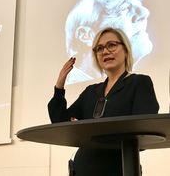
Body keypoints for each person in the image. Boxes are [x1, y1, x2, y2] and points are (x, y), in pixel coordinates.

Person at [48, 27, 159, 176]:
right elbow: (60, 122)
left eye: (111, 45)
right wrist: (59, 87)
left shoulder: (139, 83)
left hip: (118, 169)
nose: (105, 51)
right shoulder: (91, 91)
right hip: (82, 169)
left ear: (125, 50)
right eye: (99, 48)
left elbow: (143, 133)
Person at [65, 0, 152, 84]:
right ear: (86, 36)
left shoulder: (139, 82)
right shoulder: (89, 92)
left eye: (139, 2)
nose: (144, 12)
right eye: (124, 8)